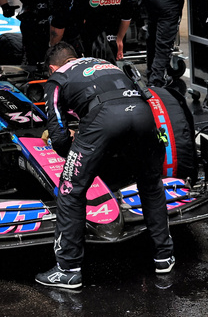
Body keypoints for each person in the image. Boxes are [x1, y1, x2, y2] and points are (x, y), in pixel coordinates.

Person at [34, 42, 173, 289]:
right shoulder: (105, 64)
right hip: (143, 114)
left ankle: (67, 269)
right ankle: (164, 257)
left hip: (104, 118)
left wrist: (77, 152)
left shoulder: (57, 78)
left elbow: (57, 135)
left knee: (70, 189)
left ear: (53, 67)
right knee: (151, 184)